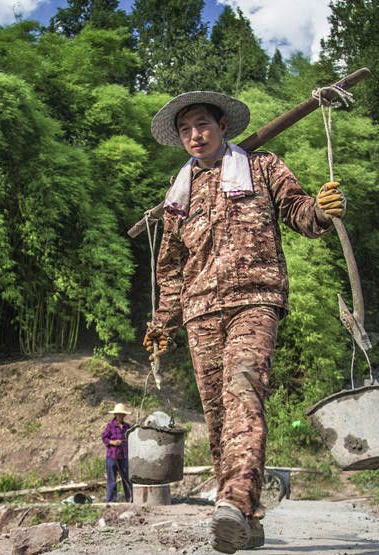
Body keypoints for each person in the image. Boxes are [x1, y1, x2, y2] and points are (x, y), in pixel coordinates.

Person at [143, 92, 344, 553]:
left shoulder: (263, 166)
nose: (195, 135)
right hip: (199, 312)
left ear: (222, 126)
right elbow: (171, 269)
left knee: (243, 387)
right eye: (186, 130)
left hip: (255, 299)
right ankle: (245, 519)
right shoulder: (177, 196)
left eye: (202, 124)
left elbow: (299, 211)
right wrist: (162, 324)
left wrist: (323, 211)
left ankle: (231, 500)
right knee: (217, 415)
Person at [101, 403, 133, 503]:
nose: (121, 416)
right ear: (115, 415)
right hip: (112, 455)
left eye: (122, 414)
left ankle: (130, 498)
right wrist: (112, 442)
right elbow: (104, 438)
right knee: (112, 479)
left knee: (126, 477)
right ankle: (111, 500)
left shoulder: (127, 427)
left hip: (123, 455)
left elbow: (132, 438)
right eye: (119, 414)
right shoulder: (110, 426)